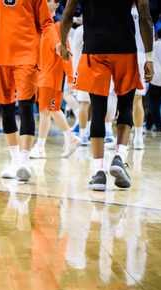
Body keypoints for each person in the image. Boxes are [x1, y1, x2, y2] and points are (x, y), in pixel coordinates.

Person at [0, 0, 68, 181]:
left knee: (26, 106)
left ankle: (24, 160)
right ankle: (14, 161)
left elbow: (46, 23)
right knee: (6, 108)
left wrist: (56, 44)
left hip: (26, 55)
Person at [61, 0, 154, 191]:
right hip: (125, 48)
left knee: (98, 108)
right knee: (126, 105)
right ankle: (119, 156)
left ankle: (99, 173)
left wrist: (62, 43)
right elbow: (145, 18)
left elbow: (68, 14)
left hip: (95, 49)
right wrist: (149, 57)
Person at [30, 0, 81, 160]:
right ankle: (40, 147)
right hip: (41, 74)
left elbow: (68, 52)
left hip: (52, 75)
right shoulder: (40, 25)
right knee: (44, 110)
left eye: (49, 1)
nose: (45, 3)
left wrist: (71, 77)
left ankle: (70, 139)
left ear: (56, 5)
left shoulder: (59, 25)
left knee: (51, 110)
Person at [131, 4, 149, 150]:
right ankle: (137, 138)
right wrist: (150, 59)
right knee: (137, 99)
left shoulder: (119, 11)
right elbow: (150, 38)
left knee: (120, 98)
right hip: (141, 57)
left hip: (124, 56)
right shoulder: (145, 13)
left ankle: (113, 135)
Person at [71, 20, 91, 146]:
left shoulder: (80, 30)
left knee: (84, 103)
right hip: (99, 69)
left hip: (82, 69)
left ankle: (83, 134)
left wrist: (75, 73)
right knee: (96, 104)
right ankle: (89, 132)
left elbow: (75, 53)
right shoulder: (102, 26)